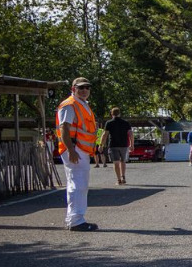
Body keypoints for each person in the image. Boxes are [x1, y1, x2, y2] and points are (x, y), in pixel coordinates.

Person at [57, 78, 98, 231]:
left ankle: (74, 219)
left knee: (79, 184)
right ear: (73, 89)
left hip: (79, 149)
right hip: (75, 149)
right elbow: (64, 128)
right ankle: (76, 221)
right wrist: (71, 150)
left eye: (87, 87)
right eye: (81, 88)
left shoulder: (82, 104)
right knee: (78, 184)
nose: (84, 90)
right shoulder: (70, 105)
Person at [104, 107, 134, 185]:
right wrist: (132, 144)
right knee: (123, 161)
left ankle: (118, 180)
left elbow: (105, 135)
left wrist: (101, 144)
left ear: (111, 114)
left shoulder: (109, 123)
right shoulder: (126, 122)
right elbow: (131, 134)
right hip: (124, 145)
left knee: (116, 162)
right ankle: (123, 177)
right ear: (119, 113)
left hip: (113, 145)